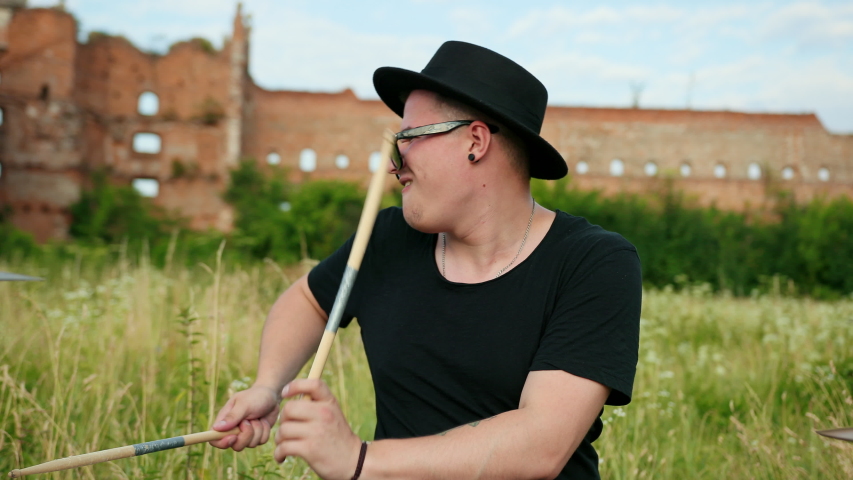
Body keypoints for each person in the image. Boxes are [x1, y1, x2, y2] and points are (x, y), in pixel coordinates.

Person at [210, 41, 641, 480]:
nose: (396, 164)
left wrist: (359, 461)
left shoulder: (594, 263)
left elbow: (541, 443)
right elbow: (308, 301)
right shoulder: (389, 239)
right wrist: (268, 386)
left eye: (408, 139)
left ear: (475, 141)